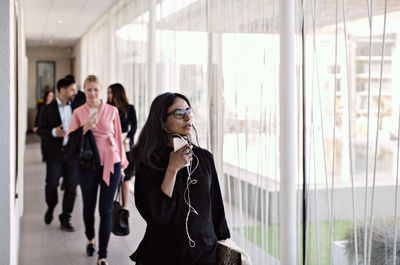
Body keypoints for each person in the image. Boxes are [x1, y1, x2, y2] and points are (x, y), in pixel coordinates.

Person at [130, 92, 230, 265]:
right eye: (179, 113)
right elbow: (157, 216)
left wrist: (224, 243)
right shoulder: (149, 161)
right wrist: (172, 169)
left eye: (188, 112)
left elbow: (216, 209)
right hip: (163, 255)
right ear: (162, 121)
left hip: (205, 256)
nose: (186, 118)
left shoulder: (204, 158)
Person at [68, 75, 128, 265]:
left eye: (95, 89)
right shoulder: (78, 112)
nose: (92, 93)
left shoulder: (112, 111)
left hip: (112, 162)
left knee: (106, 209)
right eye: (88, 89)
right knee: (88, 207)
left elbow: (118, 138)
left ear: (100, 90)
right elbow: (70, 139)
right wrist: (85, 127)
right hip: (88, 165)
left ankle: (102, 255)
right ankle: (90, 238)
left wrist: (123, 165)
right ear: (83, 90)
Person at [37, 77, 78, 231]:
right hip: (54, 154)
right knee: (52, 185)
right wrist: (54, 132)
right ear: (62, 90)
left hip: (71, 155)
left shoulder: (76, 108)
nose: (75, 92)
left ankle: (65, 217)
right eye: (72, 89)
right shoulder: (47, 109)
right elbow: (41, 130)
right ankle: (51, 207)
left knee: (72, 187)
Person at [107, 83, 137, 207]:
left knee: (126, 180)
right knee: (114, 179)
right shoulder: (107, 108)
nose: (108, 95)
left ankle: (124, 209)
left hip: (126, 146)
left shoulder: (129, 108)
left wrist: (129, 138)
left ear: (117, 94)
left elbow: (134, 125)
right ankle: (111, 205)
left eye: (110, 92)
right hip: (111, 147)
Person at [33, 90, 55, 161]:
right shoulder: (41, 106)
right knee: (43, 141)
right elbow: (38, 116)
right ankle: (44, 155)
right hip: (43, 125)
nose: (50, 97)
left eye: (52, 96)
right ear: (46, 96)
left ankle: (49, 155)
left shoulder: (54, 105)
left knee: (50, 141)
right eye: (49, 96)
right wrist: (35, 125)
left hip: (51, 127)